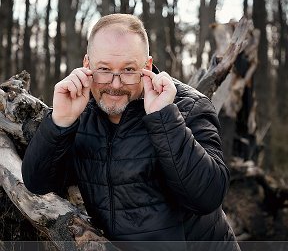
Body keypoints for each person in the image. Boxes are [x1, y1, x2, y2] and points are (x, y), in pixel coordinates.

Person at [22, 13, 240, 250]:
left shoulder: (189, 107)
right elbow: (38, 183)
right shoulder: (79, 108)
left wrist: (164, 119)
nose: (115, 84)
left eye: (128, 70)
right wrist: (60, 122)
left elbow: (208, 196)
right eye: (104, 69)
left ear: (147, 66)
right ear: (87, 66)